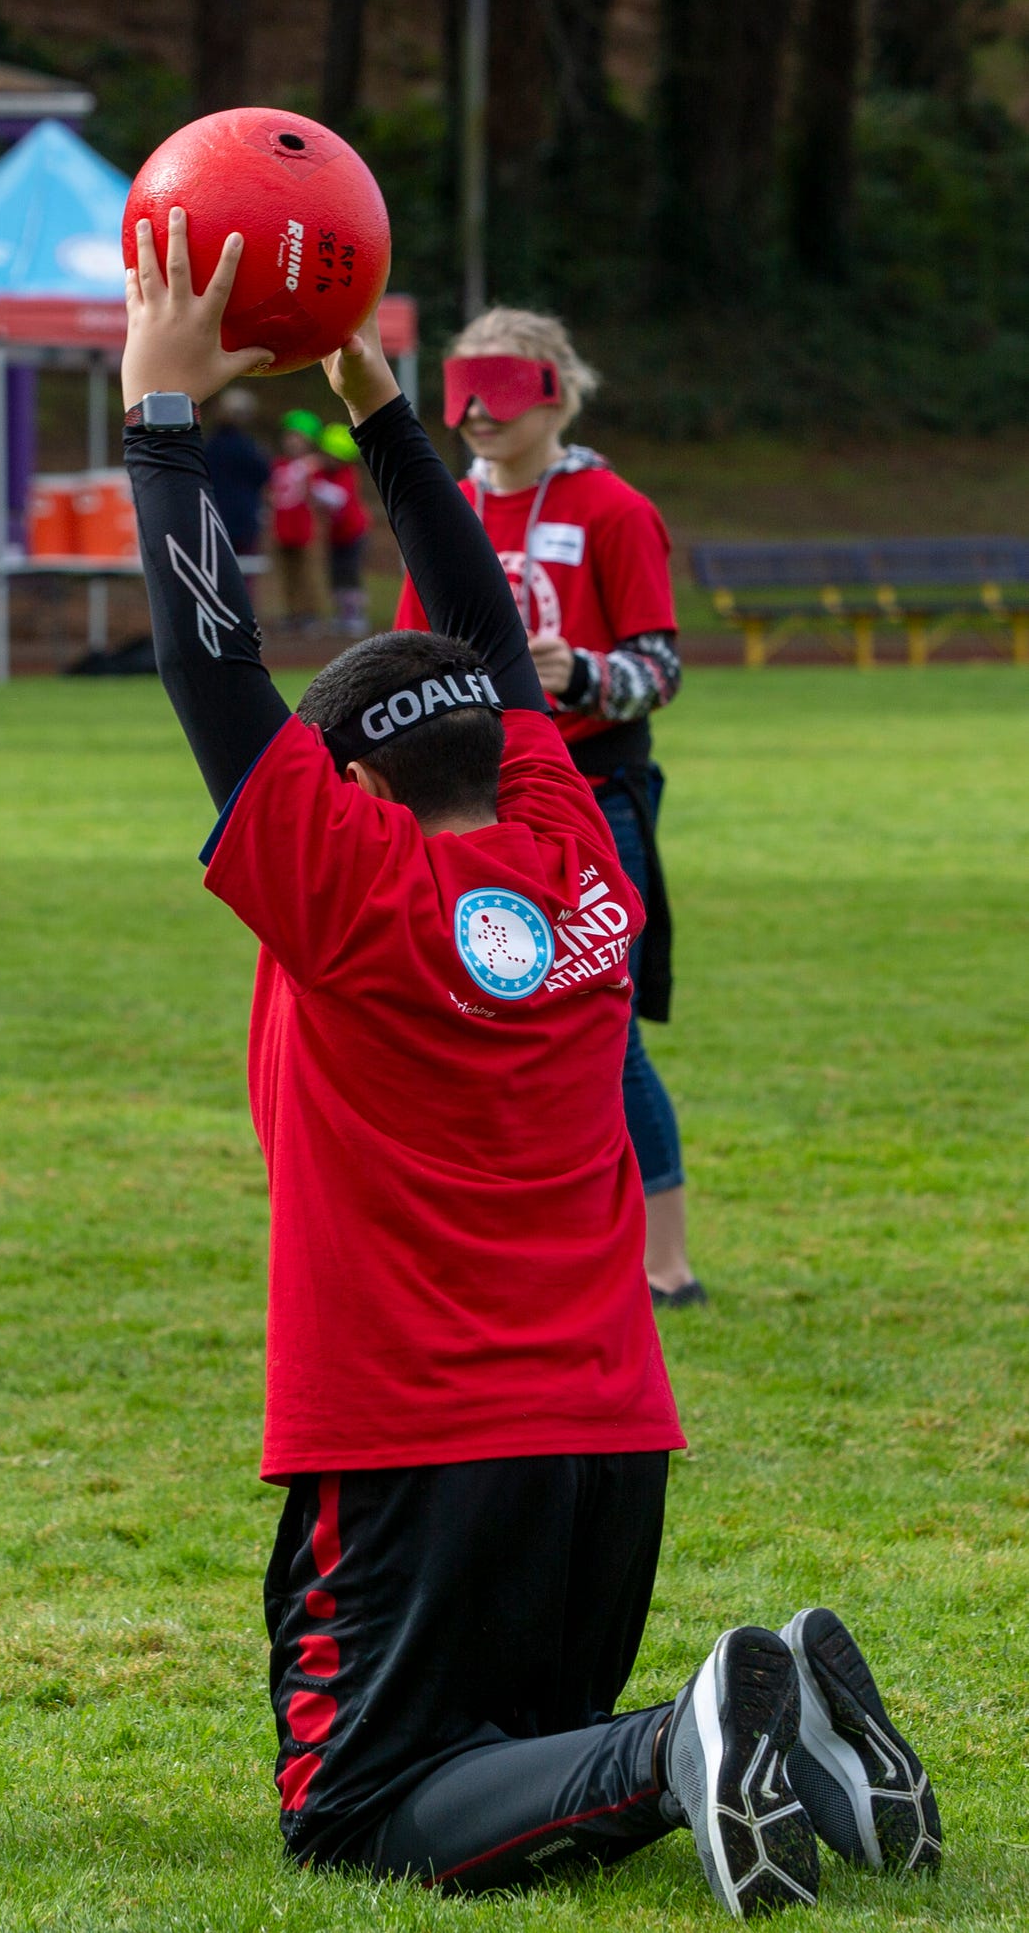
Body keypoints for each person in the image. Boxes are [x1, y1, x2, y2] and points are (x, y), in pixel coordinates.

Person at [119, 205, 941, 1917]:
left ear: (337, 789)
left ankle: (682, 1737)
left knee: (356, 1807)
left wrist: (160, 417)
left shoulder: (344, 892)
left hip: (417, 1441)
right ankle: (779, 1701)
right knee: (522, 1760)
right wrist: (384, 412)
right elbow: (492, 644)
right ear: (507, 744)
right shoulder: (573, 850)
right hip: (605, 1441)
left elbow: (212, 659)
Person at [396, 306, 702, 1307]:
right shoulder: (440, 513)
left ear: (555, 390)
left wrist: (582, 679)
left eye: (501, 385)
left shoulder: (612, 508)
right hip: (469, 805)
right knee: (468, 1012)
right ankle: (530, 1238)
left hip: (592, 791)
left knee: (602, 1024)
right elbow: (405, 657)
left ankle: (663, 1261)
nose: (476, 409)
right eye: (459, 389)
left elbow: (660, 668)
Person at [311, 422, 371, 636]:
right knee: (336, 574)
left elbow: (338, 498)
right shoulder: (321, 473)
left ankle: (354, 615)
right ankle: (342, 614)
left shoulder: (348, 474)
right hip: (335, 535)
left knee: (350, 574)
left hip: (353, 533)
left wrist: (315, 489)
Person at [269, 408, 321, 629]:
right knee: (287, 574)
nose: (293, 443)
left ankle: (309, 613)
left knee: (307, 573)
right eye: (290, 437)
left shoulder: (313, 465)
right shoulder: (278, 464)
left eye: (298, 438)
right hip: (282, 526)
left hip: (304, 527)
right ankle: (291, 612)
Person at [204, 386, 271, 557]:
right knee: (243, 572)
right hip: (242, 520)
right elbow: (263, 474)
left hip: (214, 517)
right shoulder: (247, 448)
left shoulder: (210, 446)